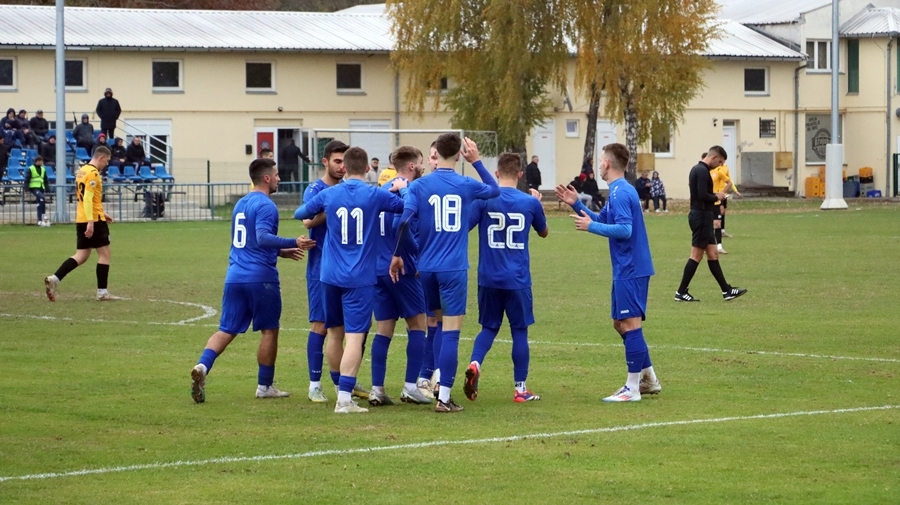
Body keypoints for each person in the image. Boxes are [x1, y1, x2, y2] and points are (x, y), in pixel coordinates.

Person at [189, 158, 315, 404]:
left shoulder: (240, 204)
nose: (279, 178)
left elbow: (247, 242)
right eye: (277, 175)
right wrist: (294, 242)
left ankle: (202, 366)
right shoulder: (267, 206)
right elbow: (262, 237)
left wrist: (280, 252)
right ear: (266, 178)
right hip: (261, 279)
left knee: (226, 329)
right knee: (269, 330)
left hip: (235, 276)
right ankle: (265, 385)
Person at [390, 133, 500, 413]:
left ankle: (431, 379)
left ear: (435, 153)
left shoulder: (420, 185)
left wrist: (400, 255)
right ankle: (444, 397)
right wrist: (476, 162)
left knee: (434, 326)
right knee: (451, 331)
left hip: (426, 269)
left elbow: (403, 223)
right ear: (459, 154)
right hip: (453, 269)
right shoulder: (465, 184)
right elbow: (494, 189)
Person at [294, 146, 407, 414]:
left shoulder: (330, 193)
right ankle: (345, 398)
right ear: (368, 168)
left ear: (344, 167)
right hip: (359, 276)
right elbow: (404, 206)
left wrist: (324, 212)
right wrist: (401, 187)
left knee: (334, 333)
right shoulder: (375, 194)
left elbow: (301, 214)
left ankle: (337, 387)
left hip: (329, 274)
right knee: (355, 337)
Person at [555, 142, 661, 402]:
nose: (598, 163)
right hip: (625, 268)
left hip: (632, 268)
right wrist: (575, 204)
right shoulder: (616, 191)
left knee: (630, 324)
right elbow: (604, 221)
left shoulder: (621, 192)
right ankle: (649, 378)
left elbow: (624, 230)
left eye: (601, 159)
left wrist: (590, 227)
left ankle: (632, 388)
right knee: (619, 323)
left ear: (607, 164)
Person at [464, 152, 548, 403]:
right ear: (521, 175)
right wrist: (538, 204)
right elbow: (543, 232)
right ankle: (520, 389)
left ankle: (475, 363)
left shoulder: (484, 201)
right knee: (519, 331)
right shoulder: (529, 203)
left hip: (488, 276)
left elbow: (465, 226)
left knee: (489, 327)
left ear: (497, 173)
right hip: (517, 278)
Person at [368, 146, 432, 406]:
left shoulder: (380, 192)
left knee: (384, 329)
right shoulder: (410, 192)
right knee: (418, 326)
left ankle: (377, 389)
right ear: (412, 166)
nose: (424, 166)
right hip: (401, 269)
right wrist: (414, 257)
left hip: (378, 270)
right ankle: (409, 387)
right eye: (421, 162)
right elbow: (402, 225)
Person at [300, 140, 358, 403]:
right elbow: (308, 220)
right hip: (320, 268)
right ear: (325, 162)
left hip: (348, 269)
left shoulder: (351, 188)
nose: (342, 166)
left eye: (344, 162)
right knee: (321, 325)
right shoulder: (316, 189)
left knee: (345, 328)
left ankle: (340, 383)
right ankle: (314, 384)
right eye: (337, 161)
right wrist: (333, 204)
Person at [674, 146, 747, 302]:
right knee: (696, 256)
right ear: (714, 157)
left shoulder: (700, 170)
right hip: (700, 216)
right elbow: (701, 195)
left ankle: (727, 291)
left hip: (704, 216)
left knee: (713, 254)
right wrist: (718, 196)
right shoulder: (701, 171)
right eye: (719, 162)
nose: (719, 166)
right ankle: (681, 292)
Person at [44, 146, 115, 302]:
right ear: (101, 158)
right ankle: (102, 292)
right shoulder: (93, 173)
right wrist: (92, 221)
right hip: (93, 220)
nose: (106, 165)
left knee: (81, 255)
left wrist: (102, 213)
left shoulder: (81, 171)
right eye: (107, 161)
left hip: (82, 218)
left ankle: (54, 279)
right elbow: (88, 198)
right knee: (104, 255)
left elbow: (86, 199)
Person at [711, 159, 741, 248]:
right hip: (711, 198)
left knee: (721, 213)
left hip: (720, 195)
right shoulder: (707, 171)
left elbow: (729, 180)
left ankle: (720, 237)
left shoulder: (723, 169)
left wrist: (734, 190)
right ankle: (708, 244)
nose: (721, 163)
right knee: (718, 214)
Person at [24, 155, 49, 227]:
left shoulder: (43, 169)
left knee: (39, 203)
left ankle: (40, 221)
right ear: (37, 161)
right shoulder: (31, 169)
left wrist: (47, 188)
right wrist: (26, 188)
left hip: (41, 187)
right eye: (41, 161)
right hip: (34, 187)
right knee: (42, 198)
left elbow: (45, 179)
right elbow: (27, 179)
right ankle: (43, 215)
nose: (42, 162)